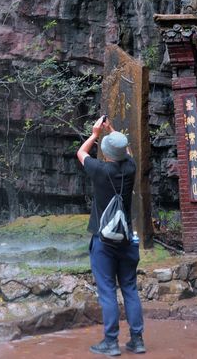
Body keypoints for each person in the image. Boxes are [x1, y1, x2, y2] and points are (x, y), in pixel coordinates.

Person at [77, 116, 145, 356]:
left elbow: (81, 152)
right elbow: (125, 150)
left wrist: (95, 134)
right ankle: (137, 340)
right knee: (129, 288)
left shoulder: (100, 170)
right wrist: (113, 131)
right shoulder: (131, 167)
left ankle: (111, 342)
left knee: (107, 290)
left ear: (105, 153)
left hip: (103, 240)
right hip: (127, 239)